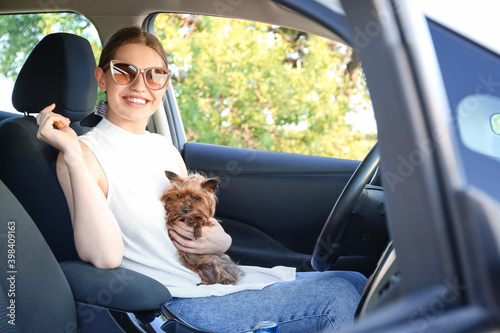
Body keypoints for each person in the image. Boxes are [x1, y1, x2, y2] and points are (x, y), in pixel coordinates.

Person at [36, 26, 367, 332]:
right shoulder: (82, 154)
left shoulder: (161, 146)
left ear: (165, 85)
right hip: (178, 302)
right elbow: (104, 257)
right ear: (102, 78)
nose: (140, 85)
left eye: (155, 75)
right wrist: (75, 156)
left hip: (214, 283)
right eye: (125, 71)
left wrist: (222, 241)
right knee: (337, 296)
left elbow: (197, 221)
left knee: (357, 281)